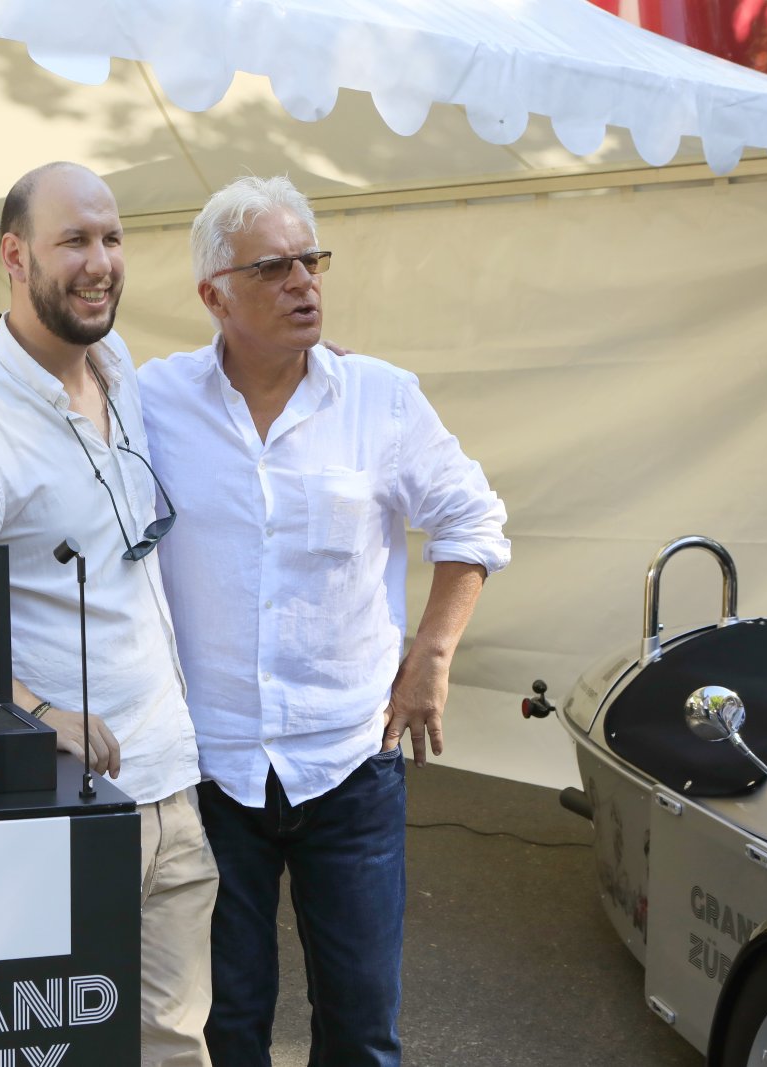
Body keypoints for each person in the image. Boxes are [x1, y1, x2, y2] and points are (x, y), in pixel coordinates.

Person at [138, 176, 510, 1067]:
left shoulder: (380, 399)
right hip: (214, 764)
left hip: (349, 759)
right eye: (273, 267)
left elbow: (473, 521)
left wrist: (433, 655)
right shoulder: (151, 400)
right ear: (214, 295)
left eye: (312, 260)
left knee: (361, 1025)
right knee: (225, 1023)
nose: (304, 281)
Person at [0, 162, 217, 1067]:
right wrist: (36, 712)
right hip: (52, 804)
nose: (99, 261)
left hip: (169, 790)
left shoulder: (119, 367)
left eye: (111, 238)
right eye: (74, 240)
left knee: (174, 1045)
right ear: (14, 255)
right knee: (54, 1047)